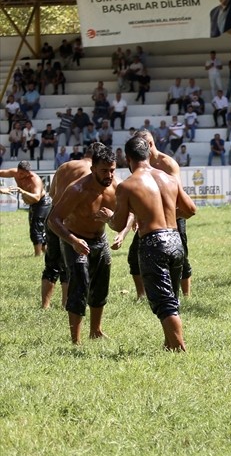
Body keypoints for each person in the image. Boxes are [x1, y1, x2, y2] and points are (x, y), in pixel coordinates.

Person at [104, 137, 196, 350]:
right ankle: (168, 344)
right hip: (175, 239)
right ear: (148, 155)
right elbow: (190, 210)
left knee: (163, 302)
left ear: (127, 159)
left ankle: (178, 348)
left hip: (153, 243)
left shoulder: (127, 185)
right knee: (171, 296)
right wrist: (169, 215)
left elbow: (118, 224)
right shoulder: (169, 178)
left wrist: (108, 217)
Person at [47, 144, 121, 344]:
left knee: (100, 287)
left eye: (112, 170)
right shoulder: (77, 189)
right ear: (93, 168)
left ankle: (95, 330)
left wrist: (120, 231)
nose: (109, 175)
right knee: (79, 285)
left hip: (100, 240)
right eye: (104, 171)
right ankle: (75, 339)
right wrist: (73, 240)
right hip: (76, 239)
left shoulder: (115, 186)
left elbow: (129, 214)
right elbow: (53, 220)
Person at [0, 161, 50, 256]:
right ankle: (46, 253)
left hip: (42, 203)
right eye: (19, 172)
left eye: (23, 174)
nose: (20, 175)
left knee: (36, 228)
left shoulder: (34, 179)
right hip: (33, 204)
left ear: (28, 173)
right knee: (35, 228)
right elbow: (1, 173)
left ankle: (37, 256)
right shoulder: (15, 172)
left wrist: (22, 191)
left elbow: (37, 197)